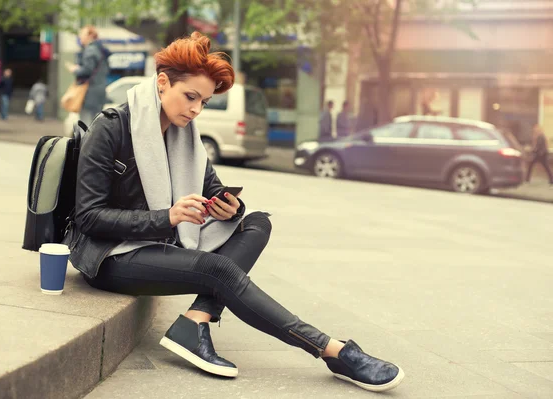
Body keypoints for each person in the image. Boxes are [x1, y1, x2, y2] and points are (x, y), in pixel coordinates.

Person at [64, 32, 404, 392]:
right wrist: (168, 217)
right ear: (162, 83)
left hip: (160, 243)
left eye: (204, 102)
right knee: (219, 270)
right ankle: (331, 350)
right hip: (111, 256)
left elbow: (212, 187)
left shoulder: (184, 136)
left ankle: (196, 319)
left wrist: (229, 206)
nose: (196, 110)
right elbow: (88, 217)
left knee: (256, 221)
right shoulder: (112, 127)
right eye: (190, 97)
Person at [65, 25, 110, 125]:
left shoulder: (90, 50)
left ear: (90, 36)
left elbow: (87, 70)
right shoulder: (101, 50)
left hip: (89, 93)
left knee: (85, 125)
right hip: (99, 92)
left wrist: (75, 69)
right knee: (96, 124)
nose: (80, 36)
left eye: (82, 34)